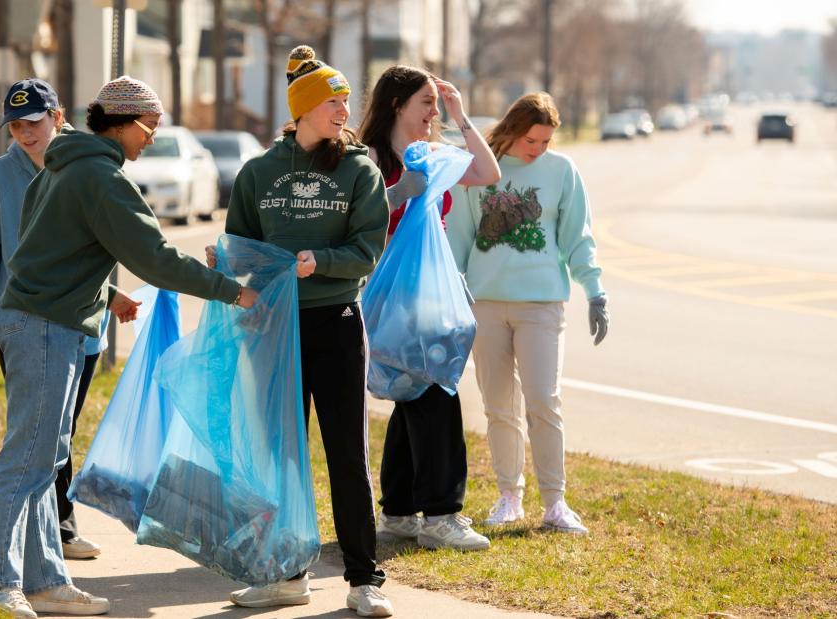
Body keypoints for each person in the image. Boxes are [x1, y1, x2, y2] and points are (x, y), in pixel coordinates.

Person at [0, 75, 258, 618]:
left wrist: (106, 294)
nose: (152, 136)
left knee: (45, 457)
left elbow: (48, 250)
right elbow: (154, 256)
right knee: (25, 460)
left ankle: (45, 581)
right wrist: (231, 291)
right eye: (149, 126)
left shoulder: (63, 169)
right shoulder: (99, 177)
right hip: (43, 327)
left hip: (42, 322)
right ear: (123, 123)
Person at [207, 45, 393, 617]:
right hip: (273, 328)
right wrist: (222, 262)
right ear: (305, 108)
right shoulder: (259, 172)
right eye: (334, 102)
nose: (344, 110)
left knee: (345, 456)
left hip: (336, 324)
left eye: (344, 101)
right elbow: (240, 242)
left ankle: (364, 580)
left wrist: (323, 262)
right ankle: (287, 574)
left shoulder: (360, 170)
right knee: (280, 457)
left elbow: (367, 248)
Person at [446, 92, 609, 536]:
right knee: (499, 407)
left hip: (541, 305)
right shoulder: (478, 170)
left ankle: (555, 503)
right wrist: (452, 293)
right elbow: (459, 237)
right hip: (486, 304)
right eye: (532, 139)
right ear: (514, 129)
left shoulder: (561, 172)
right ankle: (509, 497)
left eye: (545, 141)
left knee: (543, 402)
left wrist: (595, 291)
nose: (538, 149)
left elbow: (578, 237)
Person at [357, 66, 501, 552]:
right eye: (426, 103)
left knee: (413, 394)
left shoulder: (430, 155)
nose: (432, 113)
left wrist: (461, 117)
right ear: (397, 104)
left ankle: (398, 512)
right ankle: (441, 515)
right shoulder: (371, 157)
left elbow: (487, 173)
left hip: (431, 297)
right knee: (436, 393)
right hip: (390, 297)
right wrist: (398, 191)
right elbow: (356, 218)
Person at [0, 78, 105, 566]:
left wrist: (114, 294)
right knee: (37, 436)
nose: (26, 134)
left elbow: (94, 242)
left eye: (35, 123)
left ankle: (55, 535)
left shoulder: (82, 170)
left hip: (84, 323)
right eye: (17, 126)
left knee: (60, 435)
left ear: (58, 118)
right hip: (23, 322)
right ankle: (40, 547)